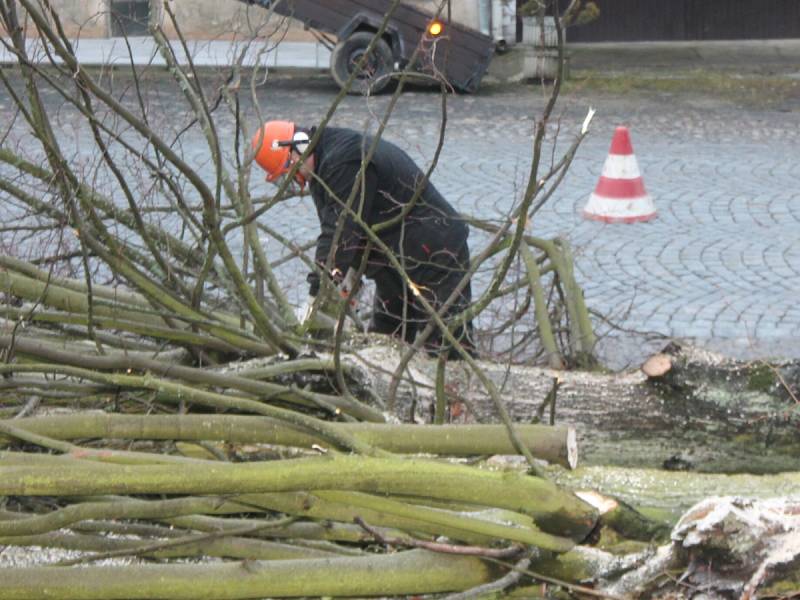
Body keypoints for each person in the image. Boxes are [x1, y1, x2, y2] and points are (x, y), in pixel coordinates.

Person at [252, 120, 474, 357]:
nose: (297, 179)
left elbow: (341, 230)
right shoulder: (321, 170)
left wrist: (320, 288)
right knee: (388, 333)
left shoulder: (344, 159)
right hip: (392, 253)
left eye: (292, 170)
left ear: (299, 146)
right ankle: (389, 379)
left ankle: (458, 385)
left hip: (434, 247)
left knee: (445, 334)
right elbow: (342, 231)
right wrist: (347, 277)